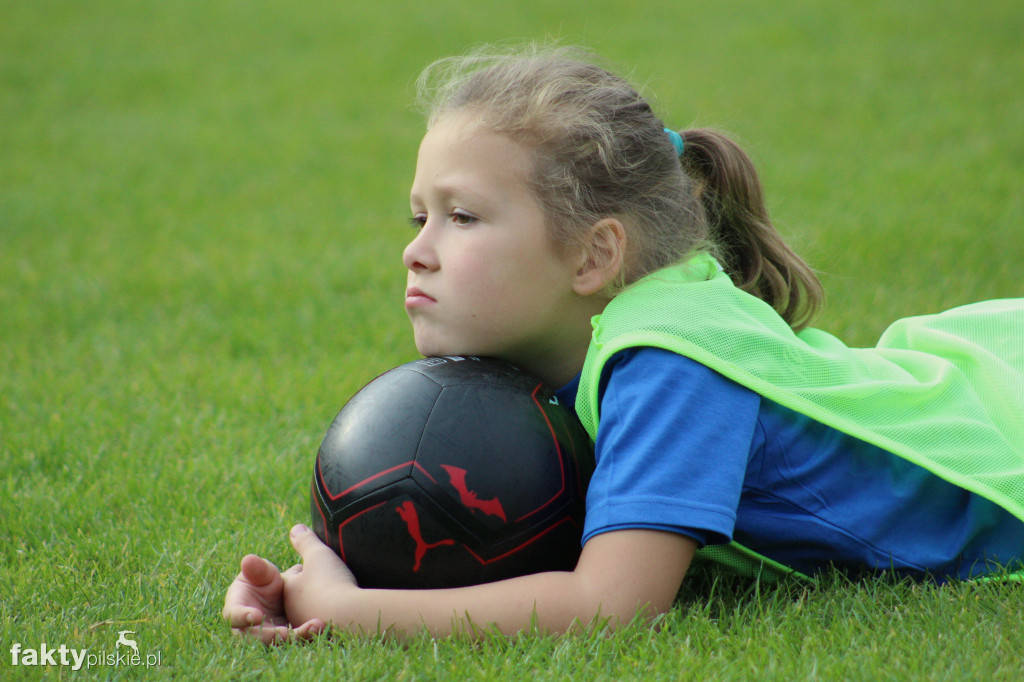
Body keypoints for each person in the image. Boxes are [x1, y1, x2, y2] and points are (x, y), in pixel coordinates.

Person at [223, 45, 1024, 643]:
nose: (417, 248)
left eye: (461, 217)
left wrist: (352, 613)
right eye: (418, 216)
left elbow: (612, 603)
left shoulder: (669, 363)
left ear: (593, 256)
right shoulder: (555, 352)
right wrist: (296, 583)